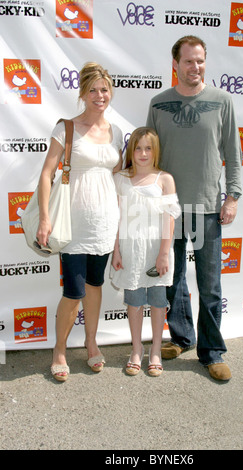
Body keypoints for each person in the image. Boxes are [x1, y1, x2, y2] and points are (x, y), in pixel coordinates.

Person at [146, 36, 242, 381]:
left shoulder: (221, 101)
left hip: (205, 210)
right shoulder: (159, 104)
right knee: (171, 280)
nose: (195, 67)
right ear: (176, 64)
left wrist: (232, 196)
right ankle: (182, 337)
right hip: (170, 209)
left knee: (210, 284)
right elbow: (150, 157)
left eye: (200, 60)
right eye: (188, 61)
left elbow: (233, 151)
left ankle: (212, 351)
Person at [36, 62, 123, 381]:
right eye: (93, 90)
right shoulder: (66, 128)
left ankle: (90, 342)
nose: (100, 95)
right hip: (72, 224)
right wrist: (45, 217)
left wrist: (120, 230)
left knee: (95, 285)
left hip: (104, 223)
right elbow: (46, 174)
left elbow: (116, 179)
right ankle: (59, 349)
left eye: (105, 89)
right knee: (73, 291)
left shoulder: (116, 132)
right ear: (83, 94)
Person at [111, 127, 181, 376]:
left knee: (158, 301)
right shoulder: (120, 178)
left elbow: (169, 217)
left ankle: (156, 351)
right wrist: (116, 250)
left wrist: (163, 252)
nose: (142, 153)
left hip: (156, 250)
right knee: (134, 301)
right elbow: (116, 218)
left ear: (155, 151)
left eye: (148, 148)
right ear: (131, 150)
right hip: (130, 250)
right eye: (138, 148)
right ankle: (137, 349)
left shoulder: (164, 179)